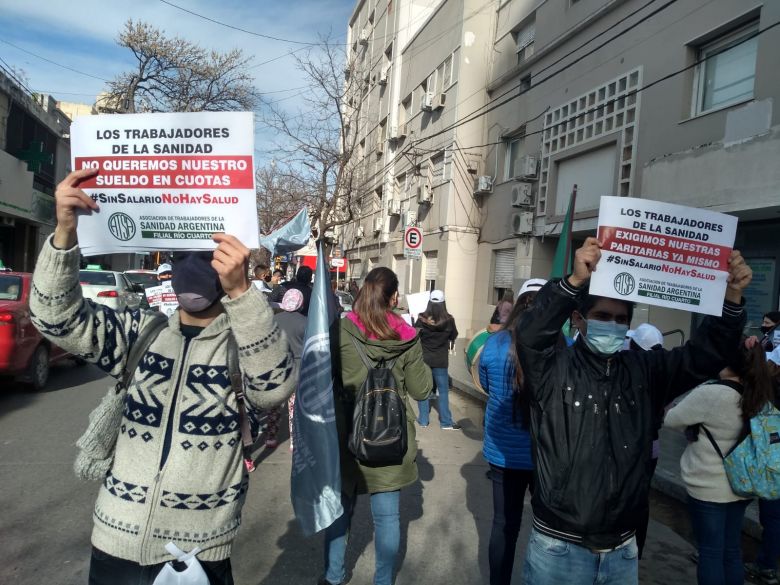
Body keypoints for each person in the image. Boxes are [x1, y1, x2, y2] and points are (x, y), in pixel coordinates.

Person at [30, 168, 297, 585]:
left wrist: (242, 296)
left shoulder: (243, 341)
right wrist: (64, 236)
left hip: (198, 555)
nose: (190, 267)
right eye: (179, 256)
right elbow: (55, 317)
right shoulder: (141, 333)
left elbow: (274, 388)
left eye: (203, 255)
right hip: (114, 546)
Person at [515, 237, 751, 585]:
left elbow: (704, 355)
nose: (612, 325)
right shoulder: (553, 370)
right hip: (559, 548)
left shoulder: (646, 371)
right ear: (579, 318)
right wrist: (572, 283)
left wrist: (730, 300)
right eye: (602, 316)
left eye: (620, 319)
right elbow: (532, 333)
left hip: (622, 551)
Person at [322, 267, 432, 585]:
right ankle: (383, 581)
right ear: (394, 297)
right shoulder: (407, 336)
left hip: (345, 434)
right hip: (391, 437)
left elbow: (324, 377)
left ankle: (333, 576)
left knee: (341, 510)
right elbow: (422, 390)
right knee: (387, 517)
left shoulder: (341, 329)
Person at [665, 336, 775, 585]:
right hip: (742, 485)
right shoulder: (758, 393)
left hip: (708, 487)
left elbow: (671, 420)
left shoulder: (711, 393)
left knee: (710, 552)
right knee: (731, 550)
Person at [479, 278, 546, 585]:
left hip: (502, 453)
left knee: (504, 525)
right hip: (545, 455)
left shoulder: (493, 343)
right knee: (548, 529)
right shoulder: (562, 345)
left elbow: (487, 385)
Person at [623, 323, 665, 559]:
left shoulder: (626, 371)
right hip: (652, 449)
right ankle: (635, 550)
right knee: (641, 501)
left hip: (628, 448)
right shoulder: (663, 373)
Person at [745, 358, 780, 585]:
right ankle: (767, 564)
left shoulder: (768, 389)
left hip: (771, 461)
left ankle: (767, 564)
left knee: (772, 516)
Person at [415, 290, 460, 430]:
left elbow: (414, 335)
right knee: (444, 391)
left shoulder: (422, 318)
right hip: (441, 360)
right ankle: (446, 422)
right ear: (443, 303)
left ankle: (423, 420)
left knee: (424, 389)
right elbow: (454, 336)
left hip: (424, 359)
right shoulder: (449, 320)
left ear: (429, 302)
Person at [272, 288, 307, 452]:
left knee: (274, 406)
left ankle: (271, 437)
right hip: (297, 369)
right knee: (294, 408)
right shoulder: (306, 322)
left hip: (277, 367)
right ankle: (294, 440)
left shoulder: (273, 320)